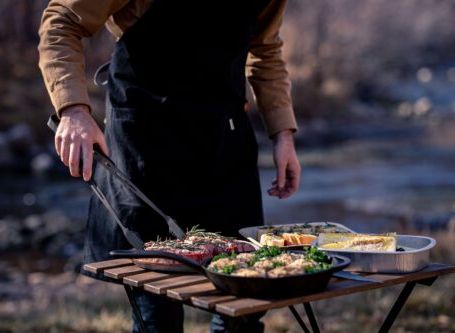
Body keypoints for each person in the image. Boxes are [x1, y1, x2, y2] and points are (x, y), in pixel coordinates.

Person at [38, 0, 301, 332]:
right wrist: (73, 110)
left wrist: (283, 133)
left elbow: (264, 50)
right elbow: (62, 21)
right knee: (157, 315)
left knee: (247, 304)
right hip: (146, 148)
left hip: (225, 148)